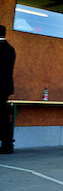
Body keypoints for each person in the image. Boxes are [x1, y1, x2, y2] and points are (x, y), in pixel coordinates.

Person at [0, 25, 16, 154]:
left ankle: (7, 144)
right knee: (3, 115)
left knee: (2, 117)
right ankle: (8, 143)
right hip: (5, 87)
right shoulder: (10, 48)